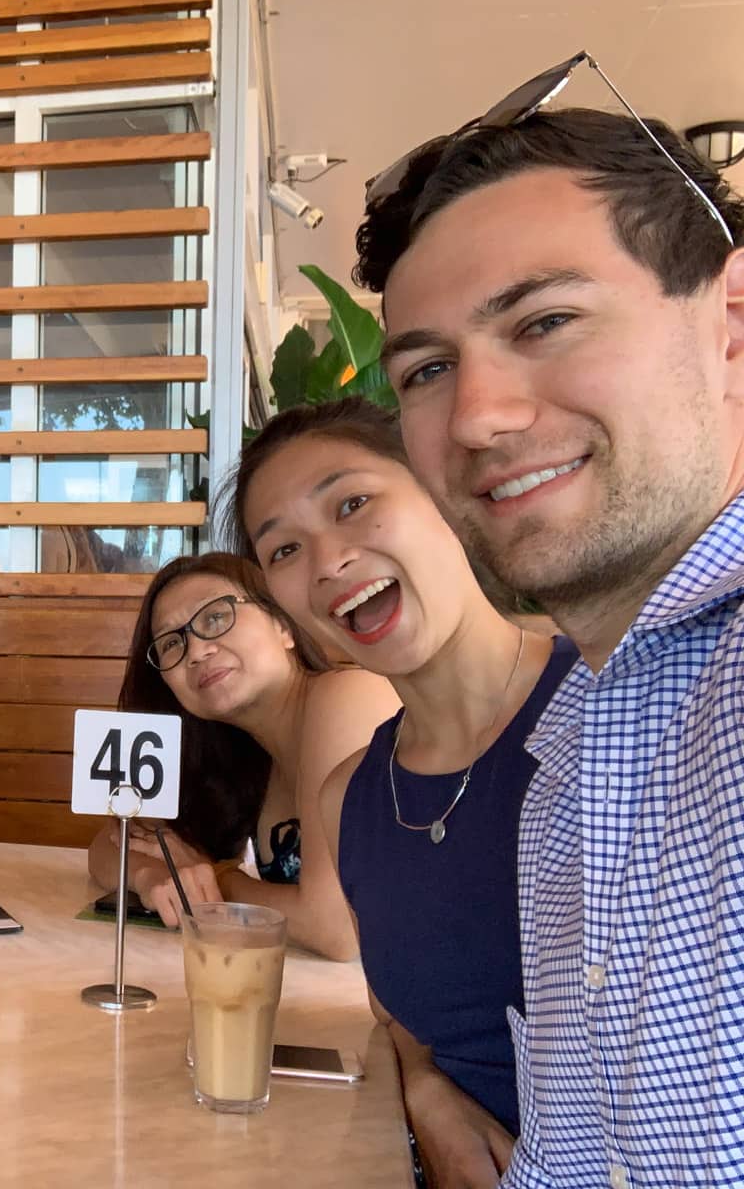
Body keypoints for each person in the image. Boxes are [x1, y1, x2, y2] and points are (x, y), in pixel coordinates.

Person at [355, 69, 744, 1185]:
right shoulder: (574, 739)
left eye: (545, 321)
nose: (477, 415)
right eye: (428, 370)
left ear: (730, 328)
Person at [234, 398, 574, 1188]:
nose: (324, 562)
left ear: (443, 494)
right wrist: (426, 1088)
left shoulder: (613, 698)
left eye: (352, 503)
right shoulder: (347, 796)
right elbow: (399, 1012)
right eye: (283, 549)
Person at [86, 551, 399, 955]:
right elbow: (108, 846)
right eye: (171, 643)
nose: (196, 652)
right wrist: (149, 873)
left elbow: (337, 929)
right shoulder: (242, 759)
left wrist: (219, 877)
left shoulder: (348, 696)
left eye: (215, 618)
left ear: (284, 624)